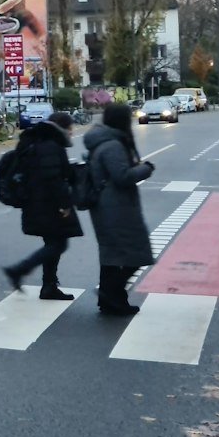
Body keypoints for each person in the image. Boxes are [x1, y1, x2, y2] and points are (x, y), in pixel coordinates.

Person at [83, 102, 155, 316]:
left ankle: (111, 299)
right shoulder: (113, 145)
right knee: (136, 253)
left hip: (106, 206)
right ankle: (111, 294)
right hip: (115, 207)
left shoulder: (102, 141)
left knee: (112, 255)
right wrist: (146, 169)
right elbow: (122, 176)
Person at [1, 111, 82, 300]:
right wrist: (64, 205)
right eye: (70, 129)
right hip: (47, 204)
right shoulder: (50, 145)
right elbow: (52, 179)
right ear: (63, 128)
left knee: (54, 243)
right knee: (58, 244)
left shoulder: (42, 142)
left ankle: (49, 286)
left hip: (39, 202)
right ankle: (20, 270)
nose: (72, 133)